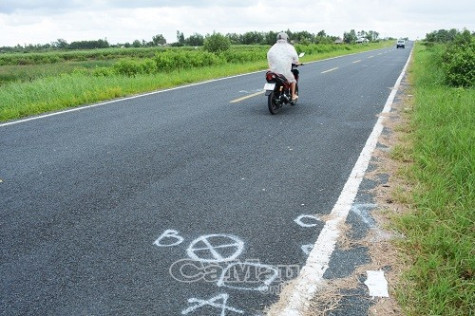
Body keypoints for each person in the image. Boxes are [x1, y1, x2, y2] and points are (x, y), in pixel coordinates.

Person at [267, 32, 300, 101]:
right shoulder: (290, 47)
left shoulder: (272, 48)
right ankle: (293, 95)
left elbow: (269, 57)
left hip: (273, 72)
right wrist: (297, 62)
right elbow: (295, 58)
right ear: (286, 38)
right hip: (284, 72)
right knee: (293, 80)